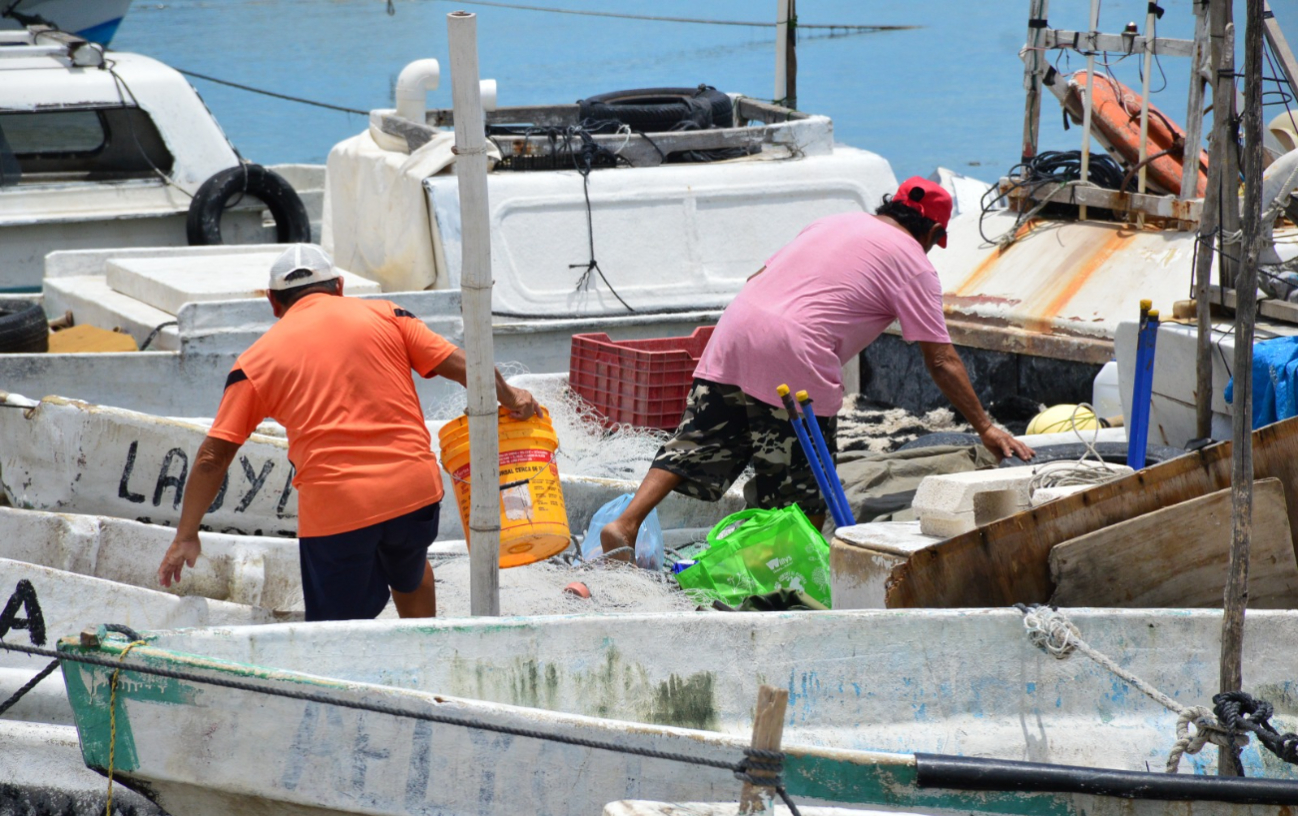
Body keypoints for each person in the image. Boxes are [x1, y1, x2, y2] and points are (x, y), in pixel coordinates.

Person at [601, 177, 1034, 555]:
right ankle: (781, 581)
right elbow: (940, 359)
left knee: (693, 443)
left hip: (734, 331)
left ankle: (625, 524)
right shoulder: (914, 263)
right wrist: (986, 427)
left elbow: (758, 277)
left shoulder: (832, 222)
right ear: (933, 231)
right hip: (796, 354)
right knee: (803, 492)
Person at [157, 244, 537, 621]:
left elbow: (212, 457)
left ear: (273, 302)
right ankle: (424, 650)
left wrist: (186, 535)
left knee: (336, 627)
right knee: (410, 569)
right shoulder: (390, 315)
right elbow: (468, 366)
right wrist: (510, 395)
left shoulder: (254, 362)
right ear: (339, 287)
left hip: (338, 508)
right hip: (415, 494)